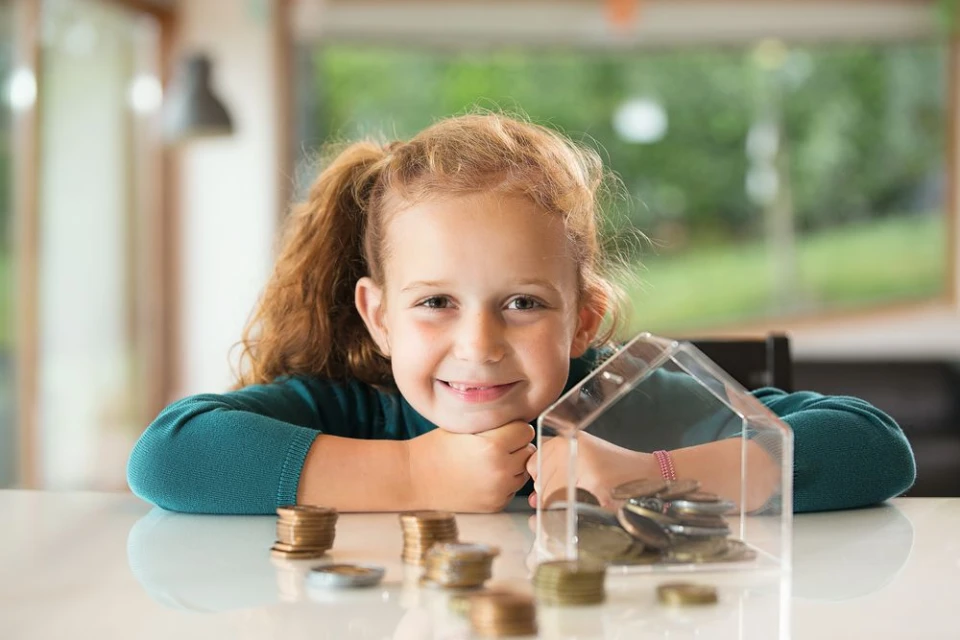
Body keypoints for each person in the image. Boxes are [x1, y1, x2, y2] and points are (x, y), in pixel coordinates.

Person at [126, 112, 915, 516]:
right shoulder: (351, 410)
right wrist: (413, 474)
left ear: (584, 320)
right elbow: (168, 457)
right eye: (435, 303)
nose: (479, 345)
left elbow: (873, 447)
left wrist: (650, 476)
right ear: (379, 317)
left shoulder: (626, 402)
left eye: (523, 303)